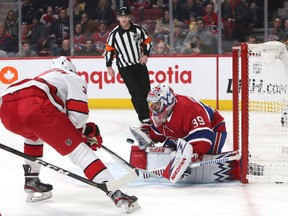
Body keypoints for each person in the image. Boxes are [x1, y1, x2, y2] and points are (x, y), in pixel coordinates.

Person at [0, 56, 140, 213]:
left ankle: (31, 180)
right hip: (35, 105)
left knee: (34, 135)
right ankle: (116, 193)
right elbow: (78, 117)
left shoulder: (46, 78)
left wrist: (82, 131)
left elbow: (54, 117)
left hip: (7, 108)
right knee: (80, 152)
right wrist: (82, 135)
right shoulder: (73, 77)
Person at [130, 83, 227, 183]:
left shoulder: (189, 108)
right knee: (169, 149)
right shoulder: (158, 111)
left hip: (212, 128)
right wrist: (150, 135)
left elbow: (204, 137)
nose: (153, 107)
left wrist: (192, 156)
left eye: (156, 104)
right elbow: (163, 130)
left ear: (166, 101)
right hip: (184, 132)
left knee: (206, 153)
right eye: (151, 104)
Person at [104, 7, 153, 126]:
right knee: (136, 93)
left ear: (130, 17)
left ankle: (149, 115)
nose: (123, 19)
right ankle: (144, 118)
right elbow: (109, 50)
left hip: (140, 65)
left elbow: (148, 43)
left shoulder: (138, 30)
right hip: (125, 68)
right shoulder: (114, 34)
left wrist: (146, 55)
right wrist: (109, 66)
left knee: (146, 92)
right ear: (118, 18)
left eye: (126, 16)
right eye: (121, 17)